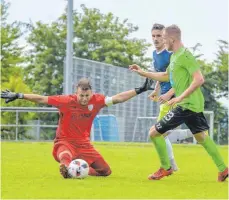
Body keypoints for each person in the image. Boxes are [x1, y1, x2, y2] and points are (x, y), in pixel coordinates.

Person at [129, 24, 228, 182]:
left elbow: (199, 79)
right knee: (202, 137)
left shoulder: (185, 56)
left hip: (186, 105)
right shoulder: (174, 56)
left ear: (171, 39)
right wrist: (142, 72)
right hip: (191, 105)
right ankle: (223, 169)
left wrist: (179, 98)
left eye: (164, 38)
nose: (162, 41)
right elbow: (165, 76)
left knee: (154, 133)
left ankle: (166, 168)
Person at [1, 77, 153, 178]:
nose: (84, 99)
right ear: (76, 93)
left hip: (84, 145)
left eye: (87, 96)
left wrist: (140, 89)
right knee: (65, 155)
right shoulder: (65, 101)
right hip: (64, 142)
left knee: (106, 171)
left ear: (91, 93)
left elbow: (118, 98)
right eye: (81, 96)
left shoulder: (97, 100)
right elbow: (41, 98)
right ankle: (66, 167)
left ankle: (77, 170)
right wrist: (19, 95)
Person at [148, 23, 178, 171]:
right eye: (153, 36)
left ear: (165, 37)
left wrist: (169, 93)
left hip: (174, 98)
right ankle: (171, 165)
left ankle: (169, 166)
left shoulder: (171, 55)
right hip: (165, 98)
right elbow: (160, 75)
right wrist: (156, 90)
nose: (155, 39)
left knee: (158, 132)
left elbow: (180, 79)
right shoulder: (155, 54)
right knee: (161, 133)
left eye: (159, 36)